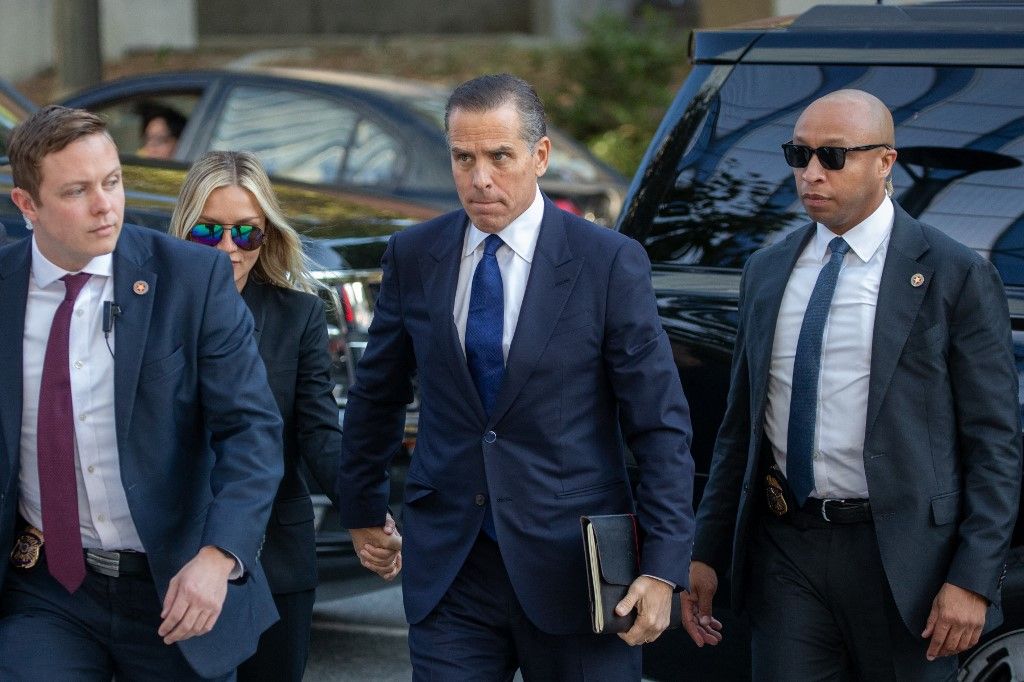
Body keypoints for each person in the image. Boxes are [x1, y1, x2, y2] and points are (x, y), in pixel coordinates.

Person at [337, 73, 705, 680]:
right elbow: (378, 392)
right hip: (452, 564)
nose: (480, 178)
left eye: (499, 157)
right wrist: (362, 505)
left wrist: (664, 567)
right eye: (463, 158)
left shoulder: (606, 263)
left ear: (539, 155)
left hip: (575, 571)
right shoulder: (414, 255)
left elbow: (659, 423)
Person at [684, 89, 1022, 680]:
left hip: (905, 559)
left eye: (833, 157)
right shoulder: (767, 271)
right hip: (788, 547)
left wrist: (973, 578)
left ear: (885, 162)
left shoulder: (955, 274)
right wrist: (705, 552)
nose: (811, 173)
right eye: (799, 154)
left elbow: (994, 441)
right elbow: (741, 426)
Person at [0, 105, 284, 680]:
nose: (105, 205)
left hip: (175, 586)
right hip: (44, 588)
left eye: (112, 181)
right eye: (78, 191)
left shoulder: (190, 279)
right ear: (27, 204)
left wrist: (218, 556)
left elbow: (251, 429)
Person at [169, 150, 357, 681]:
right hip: (173, 552)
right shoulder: (149, 311)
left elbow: (320, 434)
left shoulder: (295, 315)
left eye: (246, 234)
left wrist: (365, 511)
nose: (228, 249)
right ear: (184, 231)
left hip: (275, 556)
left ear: (267, 237)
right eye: (209, 232)